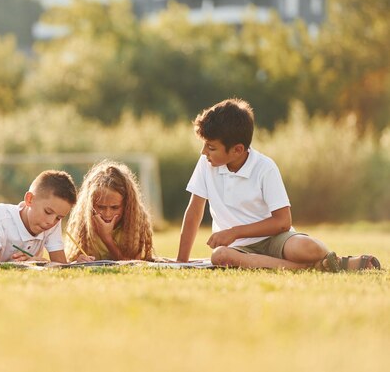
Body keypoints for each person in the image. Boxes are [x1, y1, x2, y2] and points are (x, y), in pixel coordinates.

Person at [176, 98, 381, 271]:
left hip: (275, 239)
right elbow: (194, 211)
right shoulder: (206, 164)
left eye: (211, 147)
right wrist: (181, 262)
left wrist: (234, 232)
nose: (204, 152)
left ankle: (321, 261)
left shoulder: (265, 168)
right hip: (236, 249)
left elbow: (283, 222)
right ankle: (318, 267)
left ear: (238, 150)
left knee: (308, 248)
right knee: (220, 257)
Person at [0, 170, 93, 264]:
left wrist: (76, 264)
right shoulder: (0, 215)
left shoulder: (51, 222)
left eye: (59, 218)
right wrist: (38, 263)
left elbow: (60, 267)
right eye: (48, 212)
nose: (52, 222)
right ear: (29, 199)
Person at [64, 160, 154, 261]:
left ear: (127, 205)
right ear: (90, 205)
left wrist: (107, 238)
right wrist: (78, 261)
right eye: (101, 207)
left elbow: (134, 264)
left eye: (115, 207)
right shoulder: (83, 223)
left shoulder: (135, 221)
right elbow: (71, 260)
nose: (107, 214)